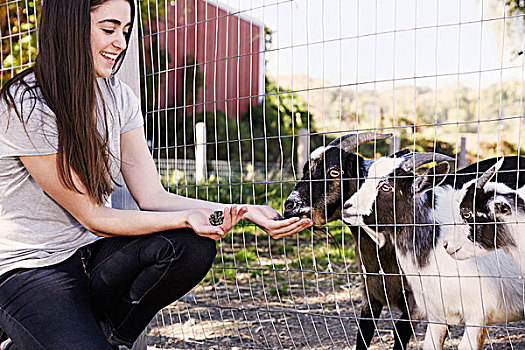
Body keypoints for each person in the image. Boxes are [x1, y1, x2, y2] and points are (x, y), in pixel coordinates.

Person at [0, 0, 312, 348]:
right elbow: (93, 216)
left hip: (87, 255)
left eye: (126, 31)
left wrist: (243, 211)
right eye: (109, 28)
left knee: (192, 245)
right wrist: (187, 217)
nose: (120, 42)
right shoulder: (27, 105)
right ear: (70, 26)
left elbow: (152, 197)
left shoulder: (117, 97)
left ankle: (108, 336)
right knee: (185, 228)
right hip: (28, 268)